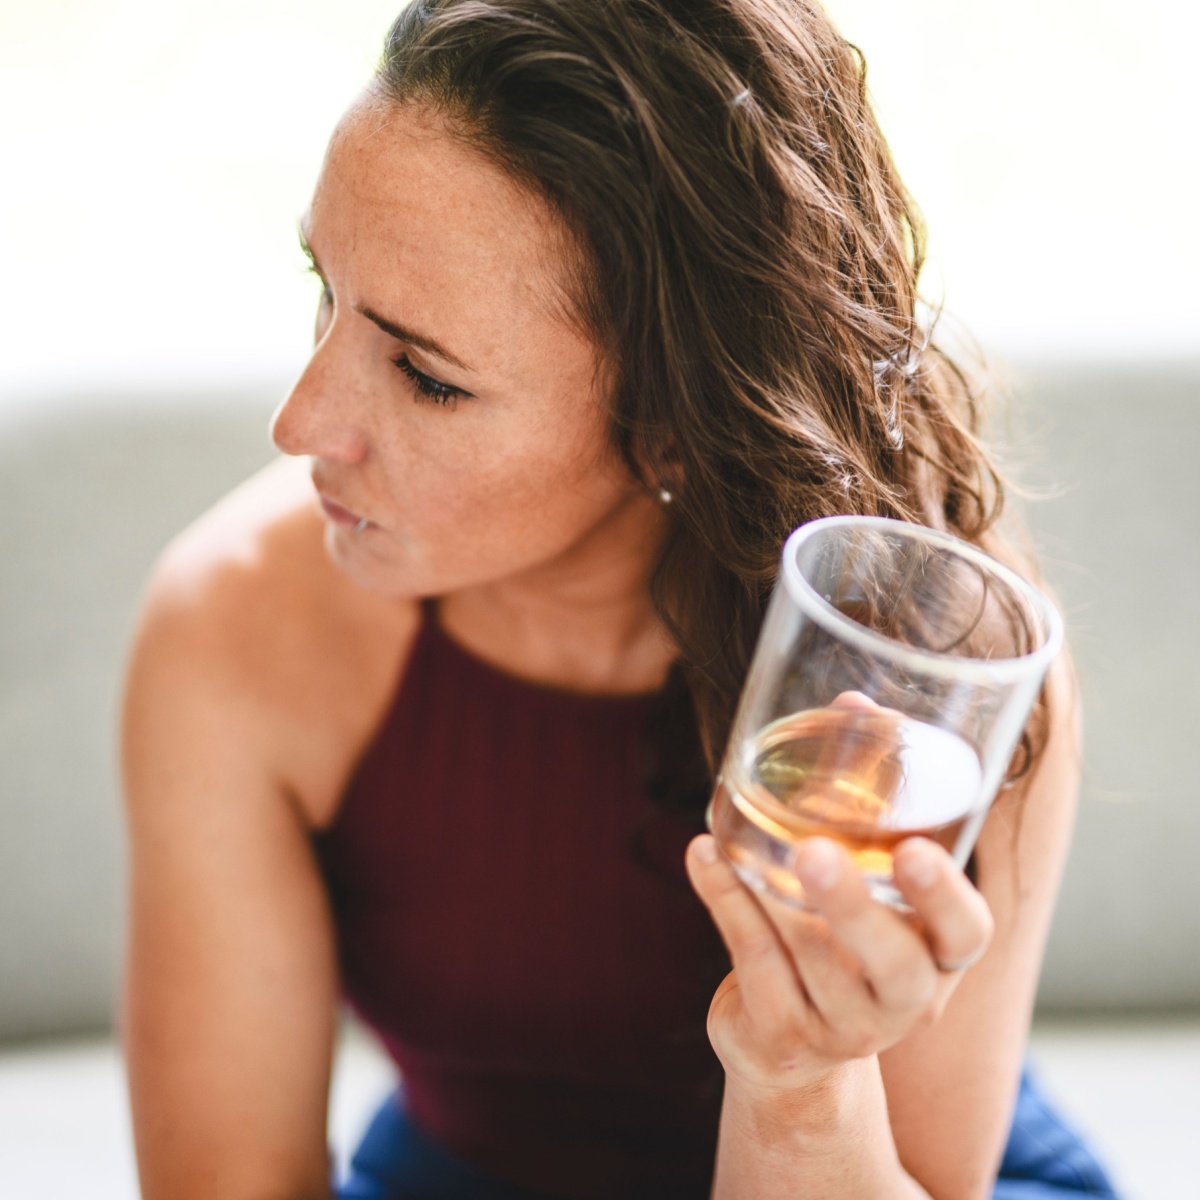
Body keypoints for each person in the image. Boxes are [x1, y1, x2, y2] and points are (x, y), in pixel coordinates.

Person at [120, 1, 1120, 1197]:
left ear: (677, 432)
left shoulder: (939, 666)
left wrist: (799, 1082)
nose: (299, 427)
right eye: (323, 289)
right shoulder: (234, 624)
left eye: (427, 376)